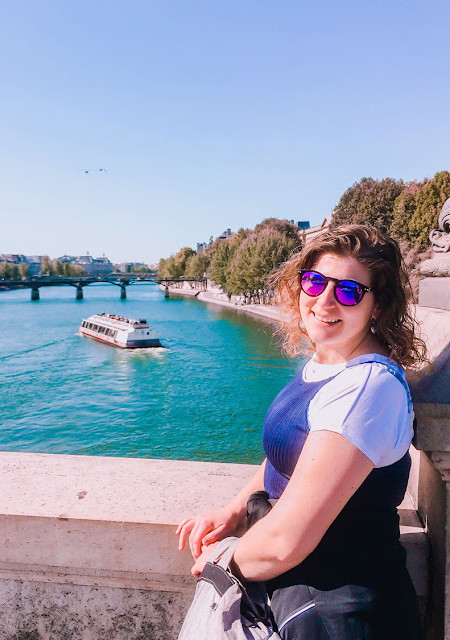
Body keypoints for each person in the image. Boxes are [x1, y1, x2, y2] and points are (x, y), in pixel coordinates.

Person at [176, 225, 427, 639]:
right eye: (314, 282)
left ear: (378, 306)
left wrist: (226, 562)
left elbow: (284, 544)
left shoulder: (367, 388)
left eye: (349, 291)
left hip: (338, 618)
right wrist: (234, 510)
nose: (324, 300)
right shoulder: (327, 364)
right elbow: (289, 454)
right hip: (302, 602)